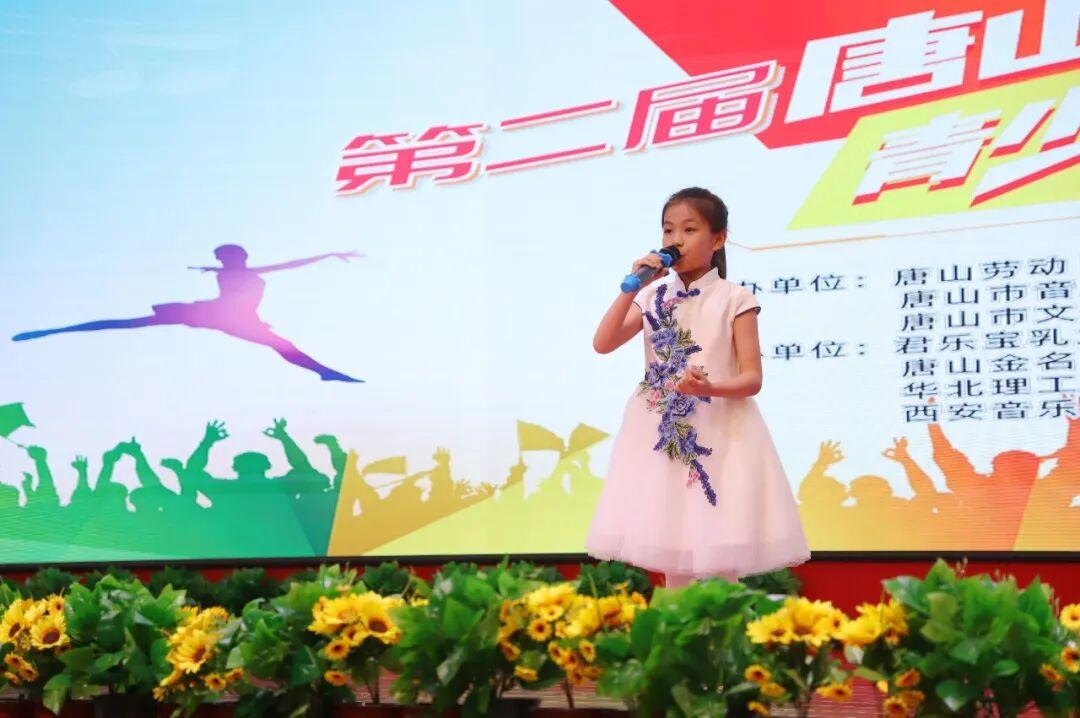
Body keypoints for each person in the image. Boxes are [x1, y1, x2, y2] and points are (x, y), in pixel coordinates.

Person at [585, 187, 810, 587]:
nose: (676, 240)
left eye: (689, 230)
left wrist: (709, 387)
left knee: (718, 542)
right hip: (662, 431)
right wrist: (631, 288)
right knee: (671, 540)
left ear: (718, 239)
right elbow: (603, 343)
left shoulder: (735, 298)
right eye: (668, 230)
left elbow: (752, 378)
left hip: (720, 431)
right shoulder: (651, 295)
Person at [12, 245, 362, 382]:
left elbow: (286, 265)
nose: (225, 261)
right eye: (223, 259)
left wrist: (328, 255)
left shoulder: (240, 271)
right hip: (218, 315)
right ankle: (54, 331)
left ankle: (324, 373)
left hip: (239, 319)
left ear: (239, 257)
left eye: (228, 257)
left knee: (283, 346)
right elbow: (284, 266)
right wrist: (328, 255)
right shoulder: (233, 272)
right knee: (135, 322)